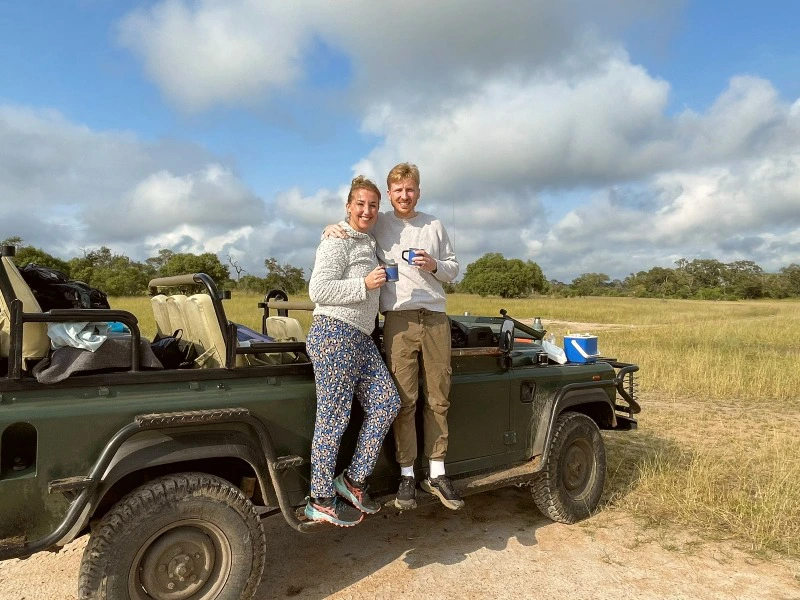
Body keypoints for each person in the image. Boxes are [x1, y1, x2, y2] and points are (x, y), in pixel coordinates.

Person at [324, 163, 462, 511]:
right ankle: (405, 476)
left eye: (410, 189)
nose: (404, 195)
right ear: (390, 194)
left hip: (434, 317)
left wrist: (434, 265)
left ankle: (437, 471)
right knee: (404, 399)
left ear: (418, 191)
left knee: (438, 397)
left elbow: (453, 270)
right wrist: (332, 229)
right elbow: (354, 225)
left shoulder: (434, 225)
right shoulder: (380, 221)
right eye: (398, 190)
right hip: (398, 319)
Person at [304, 175, 401, 527]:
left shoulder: (368, 241)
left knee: (387, 402)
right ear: (348, 206)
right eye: (360, 203)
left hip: (361, 338)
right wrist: (364, 283)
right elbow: (319, 290)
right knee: (334, 417)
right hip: (334, 333)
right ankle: (319, 498)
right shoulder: (337, 240)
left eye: (373, 205)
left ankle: (353, 480)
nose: (366, 210)